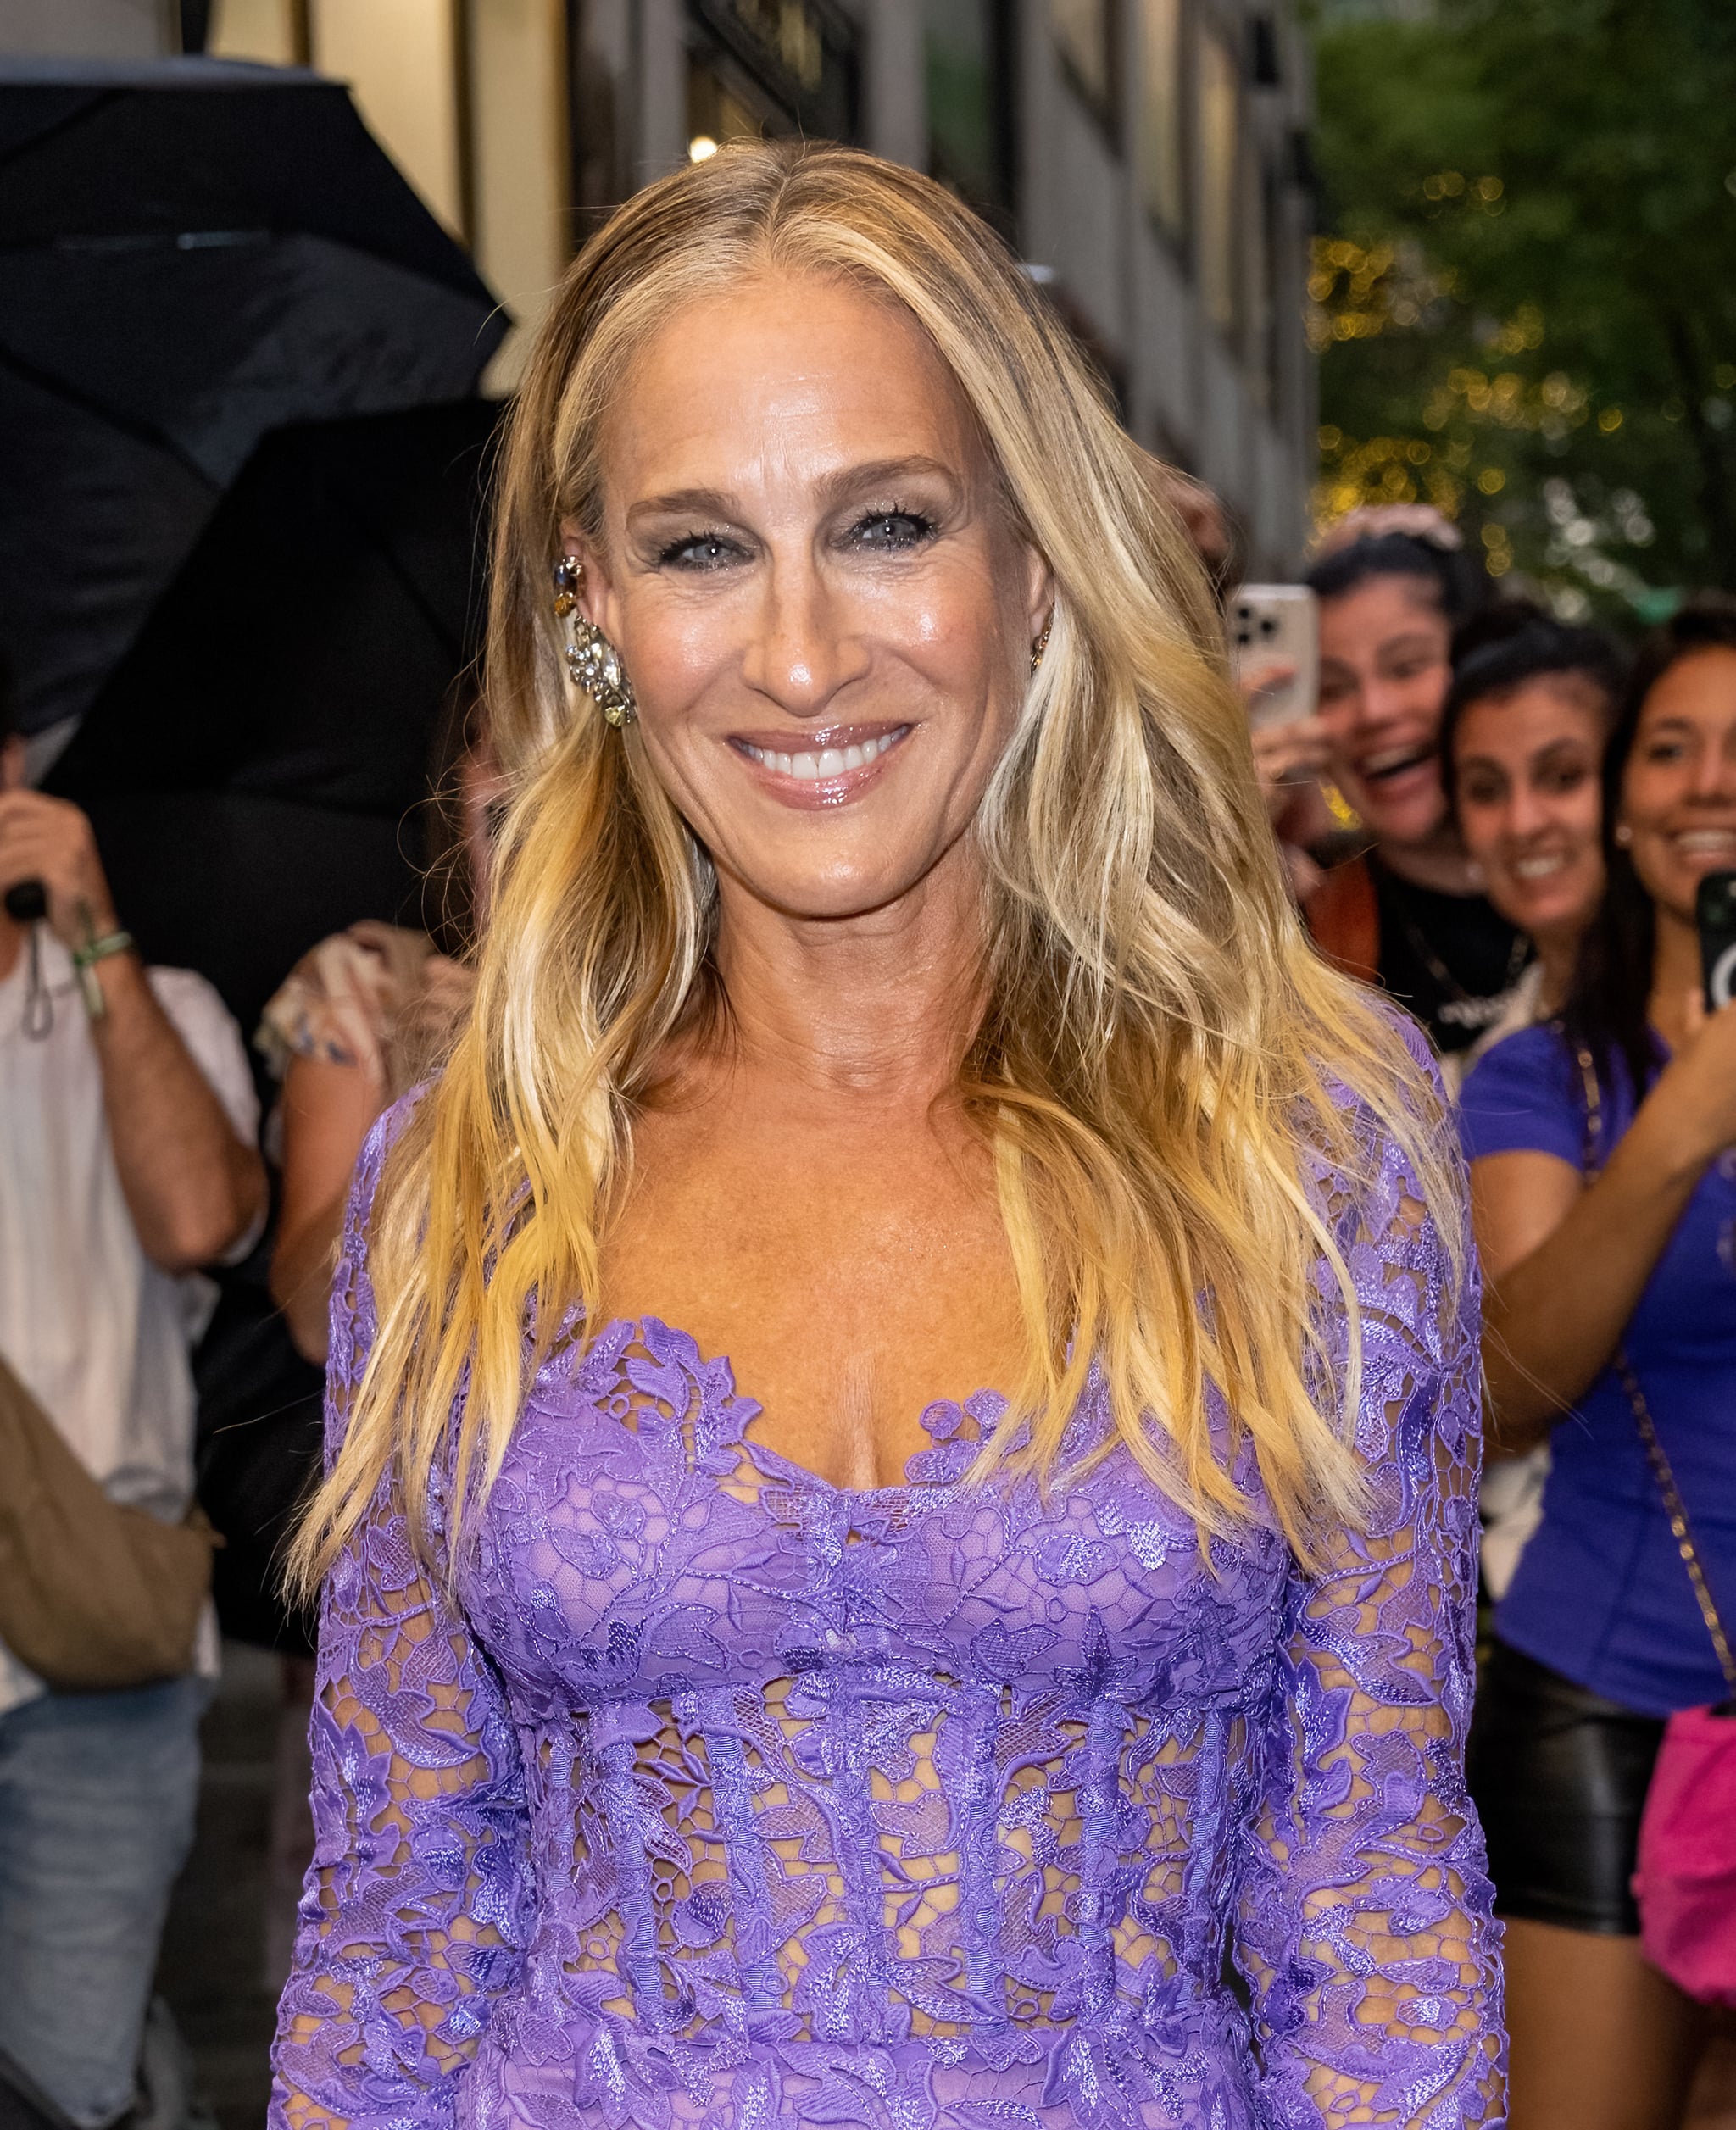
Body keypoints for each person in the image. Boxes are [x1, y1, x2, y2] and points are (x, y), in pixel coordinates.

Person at [271, 141, 1504, 2129]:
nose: (796, 655)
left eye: (883, 524)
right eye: (696, 549)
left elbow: (1370, 1910)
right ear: (592, 608)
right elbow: (396, 1932)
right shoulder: (468, 1178)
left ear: (1029, 559)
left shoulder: (1309, 1140)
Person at [1459, 593, 1736, 2130]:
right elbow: (1502, 1392)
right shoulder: (1540, 1078)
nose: (1705, 783)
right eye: (1669, 749)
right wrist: (1686, 1112)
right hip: (1608, 1712)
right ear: (1624, 808)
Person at [0, 677, 267, 2127]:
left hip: (94, 1653)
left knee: (62, 2082)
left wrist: (89, 916)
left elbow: (198, 1219)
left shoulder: (155, 1006)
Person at [1440, 608, 1625, 1606]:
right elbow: (1503, 1397)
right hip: (1554, 1608)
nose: (1521, 823)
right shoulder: (1494, 1073)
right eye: (1484, 790)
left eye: (1560, 776)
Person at [1283, 520, 1528, 1076]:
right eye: (1334, 688)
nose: (1374, 711)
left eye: (1407, 666)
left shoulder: (1616, 896)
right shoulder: (1301, 933)